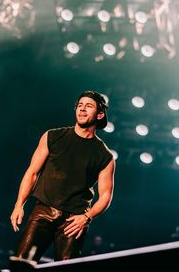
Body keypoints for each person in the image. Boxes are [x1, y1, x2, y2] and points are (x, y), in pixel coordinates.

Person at [10, 90, 116, 263]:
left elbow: (106, 196)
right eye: (79, 105)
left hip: (74, 221)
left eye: (88, 106)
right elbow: (32, 172)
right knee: (22, 262)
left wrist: (87, 217)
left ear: (100, 114)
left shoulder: (105, 156)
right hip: (43, 212)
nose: (82, 109)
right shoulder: (52, 136)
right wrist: (19, 204)